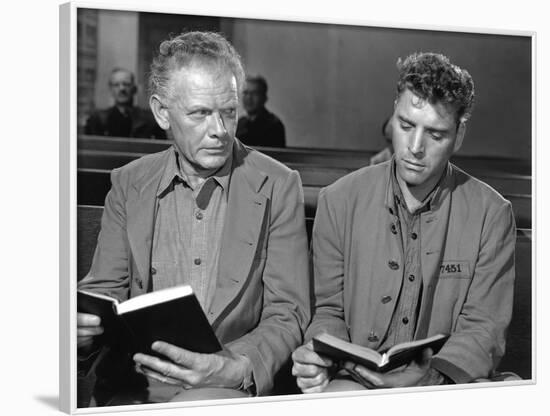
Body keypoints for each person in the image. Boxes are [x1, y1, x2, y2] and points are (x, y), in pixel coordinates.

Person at [77, 31, 310, 405]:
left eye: (229, 111)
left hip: (223, 385)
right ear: (161, 113)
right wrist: (82, 327)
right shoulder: (129, 183)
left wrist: (236, 366)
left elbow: (289, 312)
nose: (219, 130)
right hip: (134, 384)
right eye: (200, 113)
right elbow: (106, 290)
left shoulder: (277, 185)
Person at [292, 52, 517, 393]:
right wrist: (323, 359)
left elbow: (483, 328)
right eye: (406, 125)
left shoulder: (492, 214)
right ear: (393, 115)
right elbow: (327, 310)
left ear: (458, 136)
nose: (414, 147)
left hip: (446, 384)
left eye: (436, 134)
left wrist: (430, 379)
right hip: (355, 377)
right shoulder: (338, 200)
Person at [85, 67, 167, 139]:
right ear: (111, 89)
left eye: (126, 84)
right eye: (116, 85)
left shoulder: (151, 120)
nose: (122, 89)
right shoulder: (97, 120)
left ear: (134, 88)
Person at [236, 75, 286, 147]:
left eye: (255, 93)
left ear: (264, 98)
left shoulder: (274, 125)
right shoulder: (240, 123)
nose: (249, 98)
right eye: (246, 93)